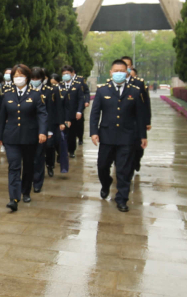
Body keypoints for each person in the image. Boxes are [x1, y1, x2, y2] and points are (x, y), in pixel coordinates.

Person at [90, 58, 148, 212]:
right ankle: (106, 183)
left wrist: (143, 136)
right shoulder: (103, 90)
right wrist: (94, 132)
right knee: (102, 166)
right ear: (110, 72)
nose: (119, 74)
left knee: (124, 170)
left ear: (127, 72)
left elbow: (140, 116)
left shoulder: (134, 91)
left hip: (127, 136)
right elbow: (95, 113)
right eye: (116, 71)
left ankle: (122, 198)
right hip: (107, 136)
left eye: (122, 71)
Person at [0, 64, 48, 211]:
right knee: (14, 166)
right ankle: (13, 198)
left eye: (21, 76)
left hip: (30, 137)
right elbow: (2, 116)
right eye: (15, 76)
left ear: (27, 77)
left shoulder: (36, 94)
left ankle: (26, 191)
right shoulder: (8, 94)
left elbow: (42, 115)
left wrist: (42, 132)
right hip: (11, 137)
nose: (18, 78)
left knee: (28, 166)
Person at [30, 67, 67, 192]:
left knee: (41, 154)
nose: (34, 81)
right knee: (29, 156)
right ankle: (29, 178)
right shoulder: (27, 90)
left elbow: (54, 110)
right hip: (29, 127)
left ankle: (38, 181)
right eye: (32, 78)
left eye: (37, 79)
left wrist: (50, 129)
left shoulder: (51, 91)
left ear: (43, 79)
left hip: (44, 127)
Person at [120, 57, 152, 182]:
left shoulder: (139, 83)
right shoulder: (112, 82)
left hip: (136, 122)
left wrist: (147, 121)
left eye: (127, 66)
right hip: (121, 123)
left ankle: (136, 161)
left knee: (137, 148)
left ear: (131, 67)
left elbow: (145, 104)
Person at [60, 65, 84, 158]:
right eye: (64, 74)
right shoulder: (60, 86)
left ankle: (71, 150)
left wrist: (79, 111)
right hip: (63, 114)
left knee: (72, 133)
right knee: (63, 132)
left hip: (73, 114)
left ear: (71, 74)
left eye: (67, 74)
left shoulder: (77, 85)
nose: (66, 75)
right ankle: (63, 150)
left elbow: (81, 99)